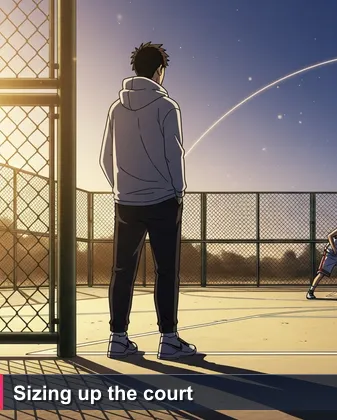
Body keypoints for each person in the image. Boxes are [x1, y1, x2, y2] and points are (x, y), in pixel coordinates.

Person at [100, 42, 195, 360]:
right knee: (166, 270)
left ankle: (117, 338)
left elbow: (104, 157)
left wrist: (122, 187)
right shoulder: (167, 107)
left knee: (122, 269)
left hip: (125, 202)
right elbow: (174, 154)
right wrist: (178, 190)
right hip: (163, 200)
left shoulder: (116, 108)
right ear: (159, 71)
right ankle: (168, 339)